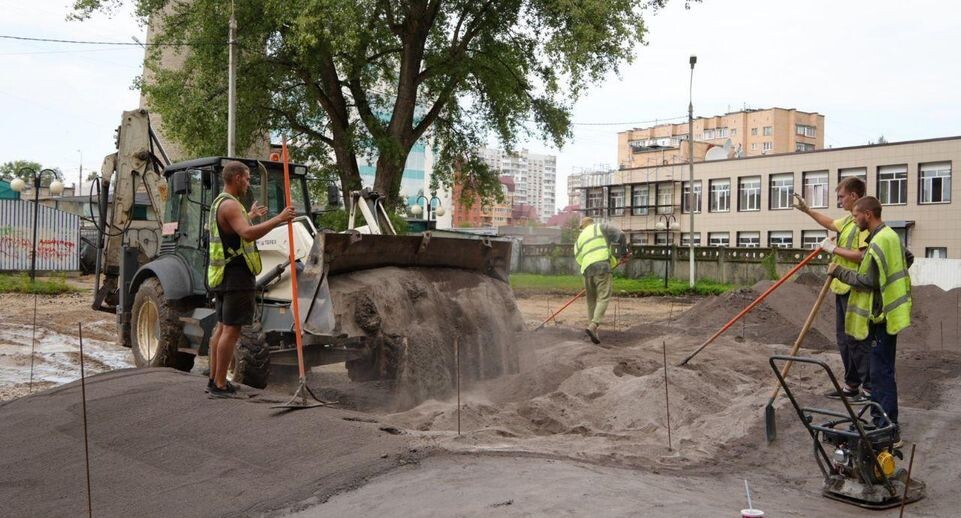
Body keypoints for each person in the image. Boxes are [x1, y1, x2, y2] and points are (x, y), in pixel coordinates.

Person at [828, 196, 913, 444]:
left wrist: (839, 271)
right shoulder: (890, 237)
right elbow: (908, 259)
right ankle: (883, 422)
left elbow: (867, 281)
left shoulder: (877, 242)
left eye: (856, 216)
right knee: (882, 371)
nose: (854, 221)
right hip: (890, 312)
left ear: (868, 214)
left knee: (880, 374)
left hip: (882, 316)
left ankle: (888, 429)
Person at [206, 161, 294, 398]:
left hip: (224, 275)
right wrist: (279, 219)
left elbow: (237, 229)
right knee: (231, 332)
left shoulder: (221, 203)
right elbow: (246, 233)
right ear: (235, 177)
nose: (248, 182)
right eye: (245, 178)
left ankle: (214, 380)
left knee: (222, 328)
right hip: (236, 277)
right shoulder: (231, 206)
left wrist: (252, 215)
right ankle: (220, 384)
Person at [792, 177, 871, 403]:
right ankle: (852, 385)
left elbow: (862, 255)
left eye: (841, 196)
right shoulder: (848, 221)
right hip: (841, 286)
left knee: (857, 339)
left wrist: (833, 248)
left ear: (854, 196)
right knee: (844, 340)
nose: (839, 201)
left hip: (855, 287)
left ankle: (869, 389)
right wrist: (807, 210)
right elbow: (829, 223)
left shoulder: (863, 223)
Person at [574, 216, 624, 344]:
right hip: (601, 266)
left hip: (586, 269)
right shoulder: (599, 227)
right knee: (603, 297)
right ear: (592, 223)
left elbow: (578, 259)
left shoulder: (579, 239)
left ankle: (594, 333)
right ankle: (594, 325)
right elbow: (621, 234)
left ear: (582, 227)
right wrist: (624, 253)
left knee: (591, 301)